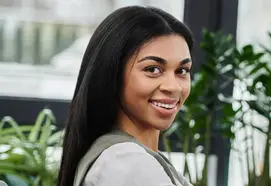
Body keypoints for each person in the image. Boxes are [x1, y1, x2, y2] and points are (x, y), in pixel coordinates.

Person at [57, 6, 194, 186]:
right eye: (153, 69)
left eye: (182, 71)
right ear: (112, 73)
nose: (173, 87)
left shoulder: (128, 158)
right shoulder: (128, 163)